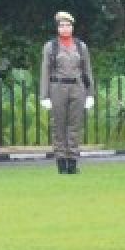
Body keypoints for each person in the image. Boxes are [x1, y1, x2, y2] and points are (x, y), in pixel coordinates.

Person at [39, 11, 96, 174]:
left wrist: (90, 93)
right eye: (61, 25)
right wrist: (44, 95)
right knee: (59, 126)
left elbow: (87, 71)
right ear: (57, 28)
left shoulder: (80, 46)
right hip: (58, 88)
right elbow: (45, 71)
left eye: (67, 25)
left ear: (72, 27)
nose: (64, 28)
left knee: (74, 126)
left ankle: (72, 161)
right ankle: (61, 161)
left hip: (77, 88)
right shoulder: (51, 46)